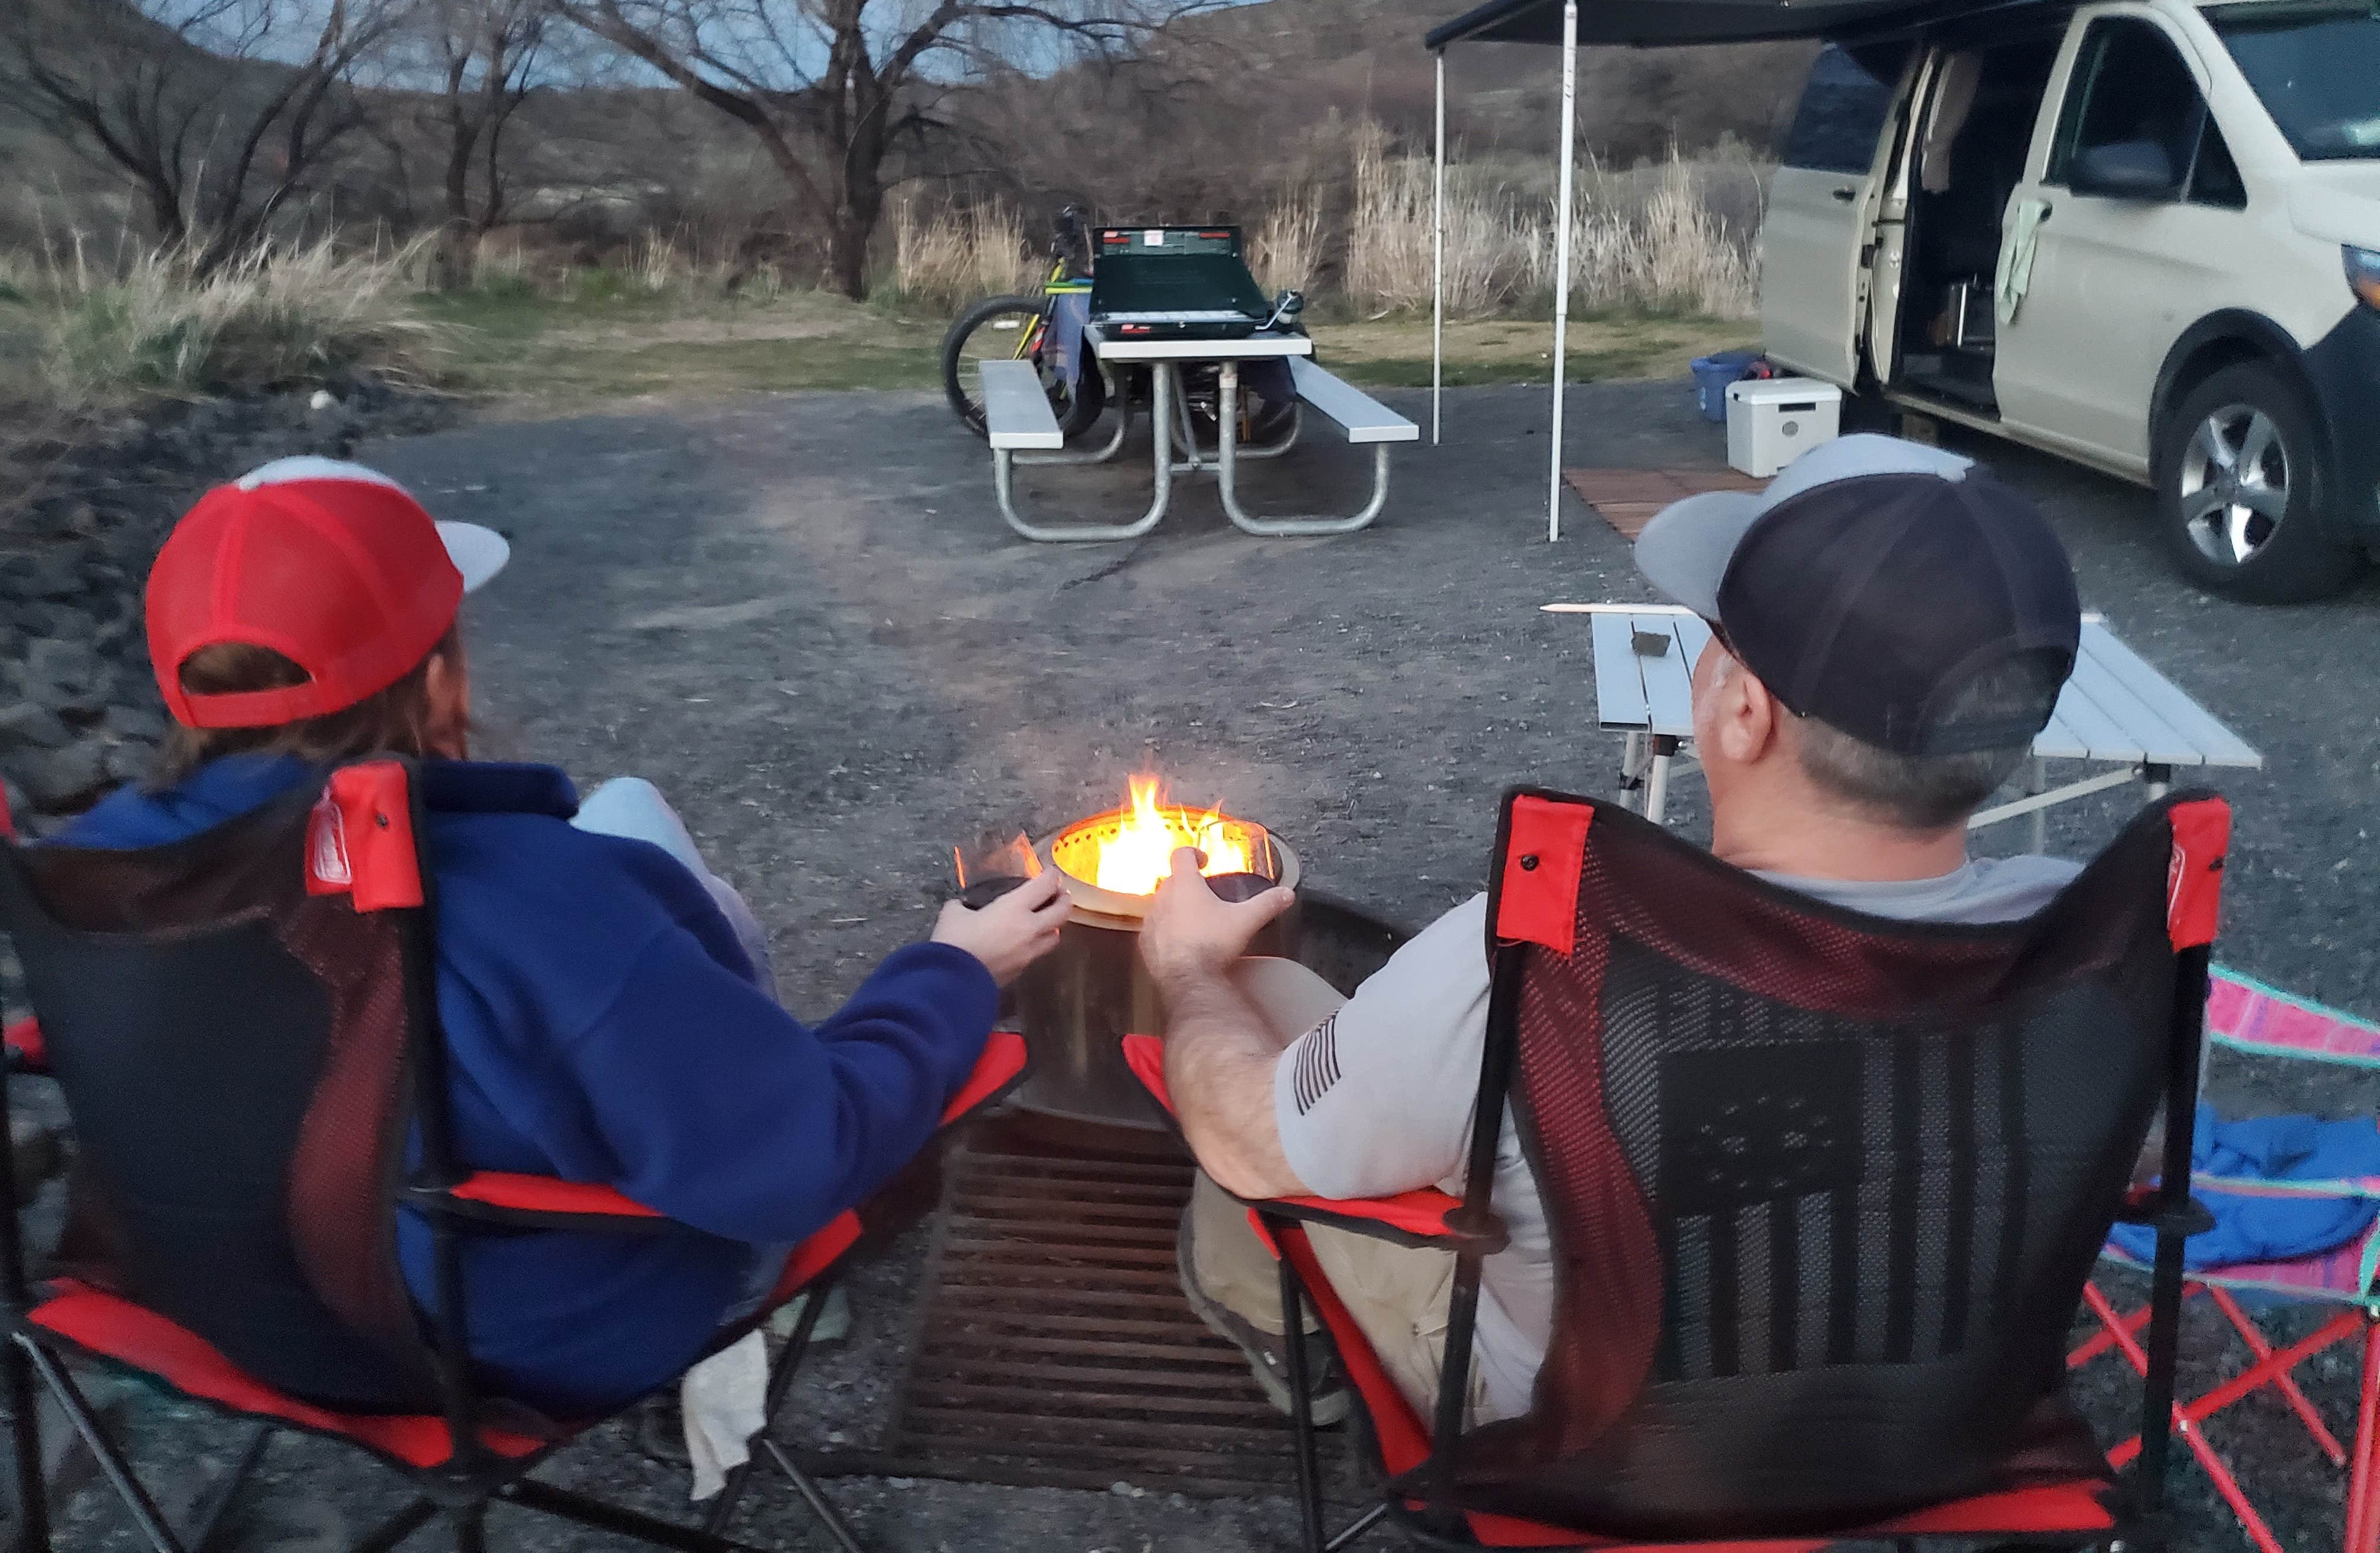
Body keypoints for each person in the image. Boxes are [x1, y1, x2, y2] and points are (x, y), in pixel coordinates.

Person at [55, 456, 1073, 1418]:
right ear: (438, 677)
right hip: (511, 1338)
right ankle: (741, 1080)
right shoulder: (523, 901)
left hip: (219, 1310)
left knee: (625, 813)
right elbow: (807, 1155)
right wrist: (951, 973)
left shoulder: (101, 867)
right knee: (675, 912)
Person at [1140, 434, 2085, 1427]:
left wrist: (1190, 969)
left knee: (1255, 1000)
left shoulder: (1544, 953)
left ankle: (1278, 1331)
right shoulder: (2091, 946)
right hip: (1929, 1430)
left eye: (1717, 634)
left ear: (1744, 713)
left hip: (1585, 1447)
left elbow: (1251, 1147)